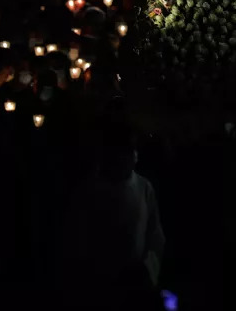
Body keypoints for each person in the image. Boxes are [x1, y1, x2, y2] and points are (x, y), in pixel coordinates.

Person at [59, 124, 165, 310]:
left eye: (132, 150)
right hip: (97, 286)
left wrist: (146, 271)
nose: (131, 156)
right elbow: (76, 238)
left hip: (134, 285)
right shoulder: (88, 191)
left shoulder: (144, 188)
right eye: (123, 150)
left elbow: (155, 236)